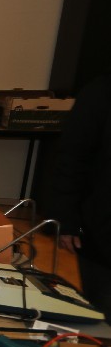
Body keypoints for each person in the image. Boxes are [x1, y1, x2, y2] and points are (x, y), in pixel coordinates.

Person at [52, 72, 111, 318]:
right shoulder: (101, 92)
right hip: (102, 232)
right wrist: (67, 219)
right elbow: (72, 159)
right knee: (103, 316)